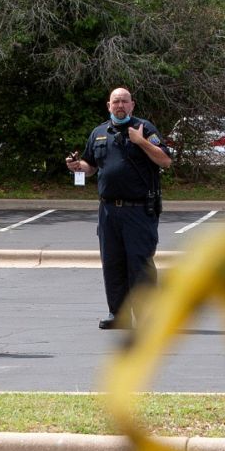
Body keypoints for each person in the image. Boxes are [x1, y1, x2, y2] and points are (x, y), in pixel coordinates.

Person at [64, 87, 173, 330]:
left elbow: (165, 160)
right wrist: (76, 166)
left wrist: (141, 141)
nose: (120, 105)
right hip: (109, 210)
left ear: (132, 105)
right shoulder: (99, 133)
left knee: (140, 264)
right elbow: (90, 165)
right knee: (113, 263)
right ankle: (119, 315)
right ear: (109, 105)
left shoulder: (145, 129)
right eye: (116, 102)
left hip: (138, 210)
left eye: (124, 101)